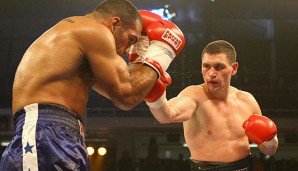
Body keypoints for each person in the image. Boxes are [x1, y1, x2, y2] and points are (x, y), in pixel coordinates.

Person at [0, 0, 185, 170]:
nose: (128, 50)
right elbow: (127, 94)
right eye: (131, 39)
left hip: (60, 134)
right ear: (114, 24)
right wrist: (162, 51)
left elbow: (124, 98)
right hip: (46, 132)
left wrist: (145, 66)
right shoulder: (94, 30)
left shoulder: (74, 48)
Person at [147, 40, 278, 171]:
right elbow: (166, 115)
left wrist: (270, 139)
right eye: (206, 66)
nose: (211, 73)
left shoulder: (247, 100)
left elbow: (269, 151)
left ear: (234, 68)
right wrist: (155, 96)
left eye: (219, 67)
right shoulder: (194, 95)